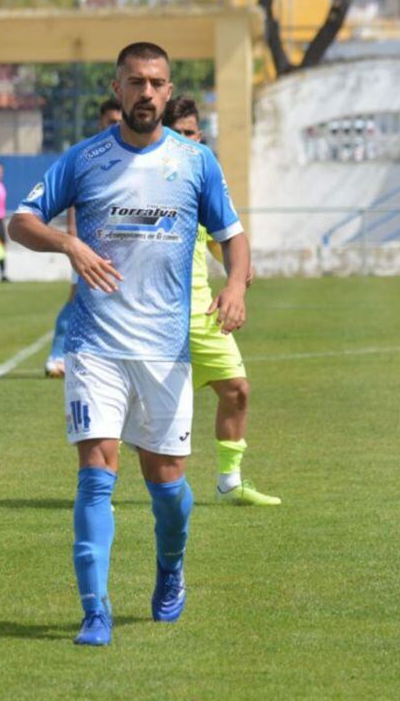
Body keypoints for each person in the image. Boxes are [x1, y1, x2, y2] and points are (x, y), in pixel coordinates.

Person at [9, 42, 250, 646]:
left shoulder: (196, 162)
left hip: (164, 349)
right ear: (117, 89)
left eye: (157, 82)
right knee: (96, 473)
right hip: (95, 346)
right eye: (135, 82)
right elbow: (21, 221)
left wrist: (237, 285)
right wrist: (69, 245)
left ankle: (170, 568)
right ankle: (96, 611)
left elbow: (233, 235)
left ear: (169, 92)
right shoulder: (83, 159)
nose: (146, 93)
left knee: (167, 488)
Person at [163, 96, 280, 507]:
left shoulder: (202, 173)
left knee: (237, 390)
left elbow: (221, 235)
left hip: (199, 310)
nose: (184, 139)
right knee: (140, 411)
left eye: (190, 132)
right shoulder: (146, 176)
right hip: (153, 314)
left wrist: (234, 278)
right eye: (175, 132)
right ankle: (99, 487)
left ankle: (229, 481)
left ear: (200, 135)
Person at [45, 98, 122, 377]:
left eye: (118, 120)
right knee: (77, 298)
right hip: (87, 248)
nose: (115, 125)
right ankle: (56, 356)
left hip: (119, 246)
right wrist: (74, 241)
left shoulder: (128, 153)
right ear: (101, 122)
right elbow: (74, 203)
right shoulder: (89, 154)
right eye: (110, 121)